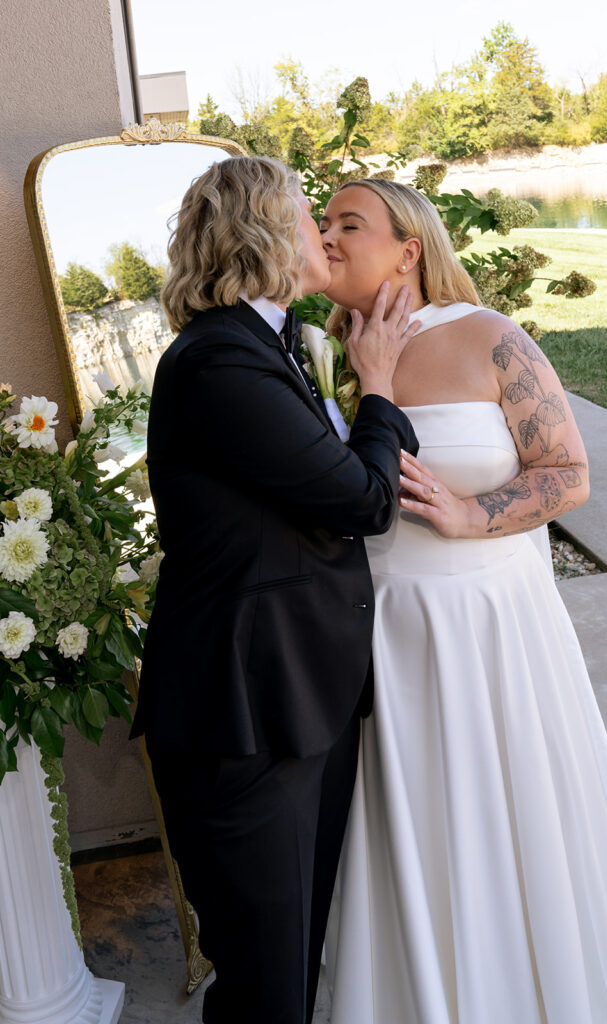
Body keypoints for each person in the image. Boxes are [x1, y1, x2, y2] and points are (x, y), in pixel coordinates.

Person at [319, 178, 607, 1023]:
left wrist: (468, 513)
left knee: (504, 800)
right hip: (387, 624)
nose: (327, 236)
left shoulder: (489, 337)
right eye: (323, 222)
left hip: (488, 620)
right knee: (415, 807)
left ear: (408, 250)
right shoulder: (334, 354)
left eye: (349, 223)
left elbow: (567, 474)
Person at [130, 157, 422, 1024]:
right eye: (307, 214)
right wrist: (378, 385)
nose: (323, 234)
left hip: (297, 700)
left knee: (290, 966)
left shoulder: (273, 343)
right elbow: (361, 501)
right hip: (243, 719)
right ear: (261, 232)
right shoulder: (219, 362)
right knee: (266, 983)